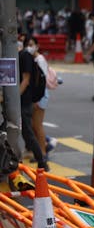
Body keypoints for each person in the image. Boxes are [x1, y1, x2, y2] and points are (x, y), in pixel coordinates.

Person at [18, 37, 48, 171]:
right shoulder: (21, 55)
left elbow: (26, 80)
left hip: (25, 101)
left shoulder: (25, 56)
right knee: (26, 132)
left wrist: (15, 97)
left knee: (29, 132)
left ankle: (42, 161)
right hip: (23, 100)